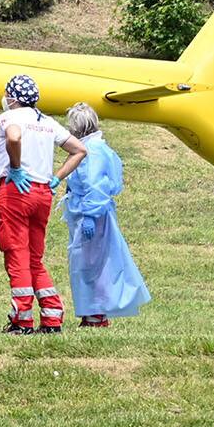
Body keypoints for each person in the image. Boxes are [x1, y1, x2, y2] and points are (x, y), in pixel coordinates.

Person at [0, 75, 87, 334]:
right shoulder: (48, 122)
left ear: (13, 98)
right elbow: (79, 150)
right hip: (43, 192)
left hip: (17, 190)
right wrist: (57, 177)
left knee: (16, 252)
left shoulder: (10, 117)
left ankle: (22, 319)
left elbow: (14, 138)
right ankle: (52, 316)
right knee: (34, 257)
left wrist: (16, 168)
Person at [61, 103, 150, 327]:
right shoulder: (94, 147)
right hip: (87, 212)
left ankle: (96, 313)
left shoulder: (94, 151)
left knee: (91, 264)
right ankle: (93, 311)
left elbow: (95, 184)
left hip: (92, 215)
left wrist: (90, 214)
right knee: (89, 262)